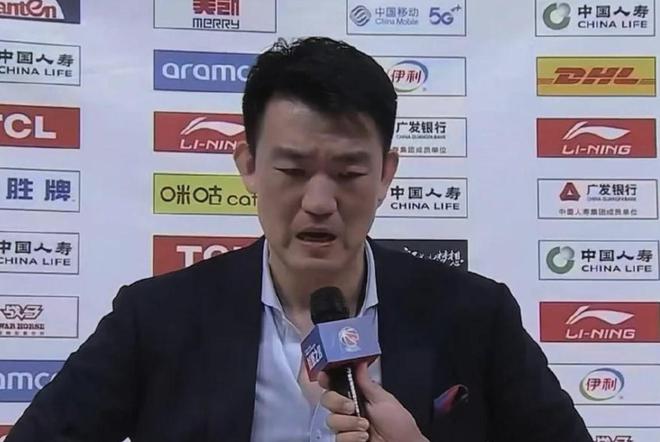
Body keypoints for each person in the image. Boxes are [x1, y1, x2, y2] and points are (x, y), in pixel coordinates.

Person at [6, 37, 592, 442]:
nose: (319, 201)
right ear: (248, 166)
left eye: (349, 173)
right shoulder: (156, 317)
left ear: (386, 174)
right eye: (292, 170)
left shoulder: (475, 314)